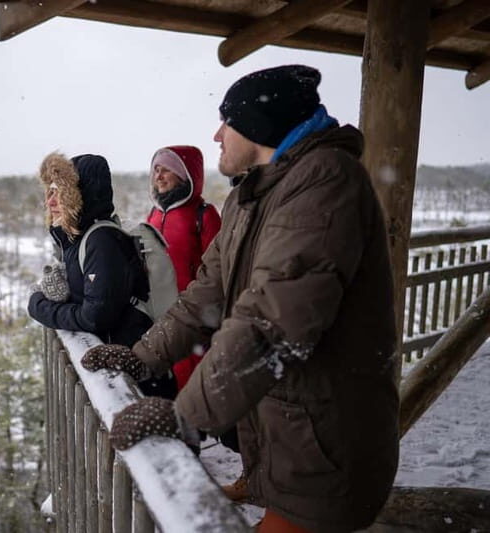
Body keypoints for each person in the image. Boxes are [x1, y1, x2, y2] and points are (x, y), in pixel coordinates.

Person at [81, 65, 399, 532]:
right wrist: (140, 358)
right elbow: (205, 292)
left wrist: (185, 417)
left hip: (326, 436)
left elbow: (271, 321)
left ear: (259, 126)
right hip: (290, 424)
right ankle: (258, 481)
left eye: (227, 121)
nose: (217, 135)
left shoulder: (325, 184)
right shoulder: (255, 195)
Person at [28, 151, 176, 399]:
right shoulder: (80, 239)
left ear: (81, 195)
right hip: (121, 368)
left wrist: (39, 307)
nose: (50, 202)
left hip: (137, 376)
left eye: (60, 193)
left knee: (161, 437)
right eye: (50, 192)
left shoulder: (102, 240)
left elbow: (95, 317)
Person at [147, 145, 221, 391]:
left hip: (193, 321)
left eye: (166, 169)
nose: (158, 176)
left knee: (192, 389)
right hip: (158, 319)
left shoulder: (205, 215)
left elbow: (220, 271)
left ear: (186, 175)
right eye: (156, 169)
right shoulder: (153, 215)